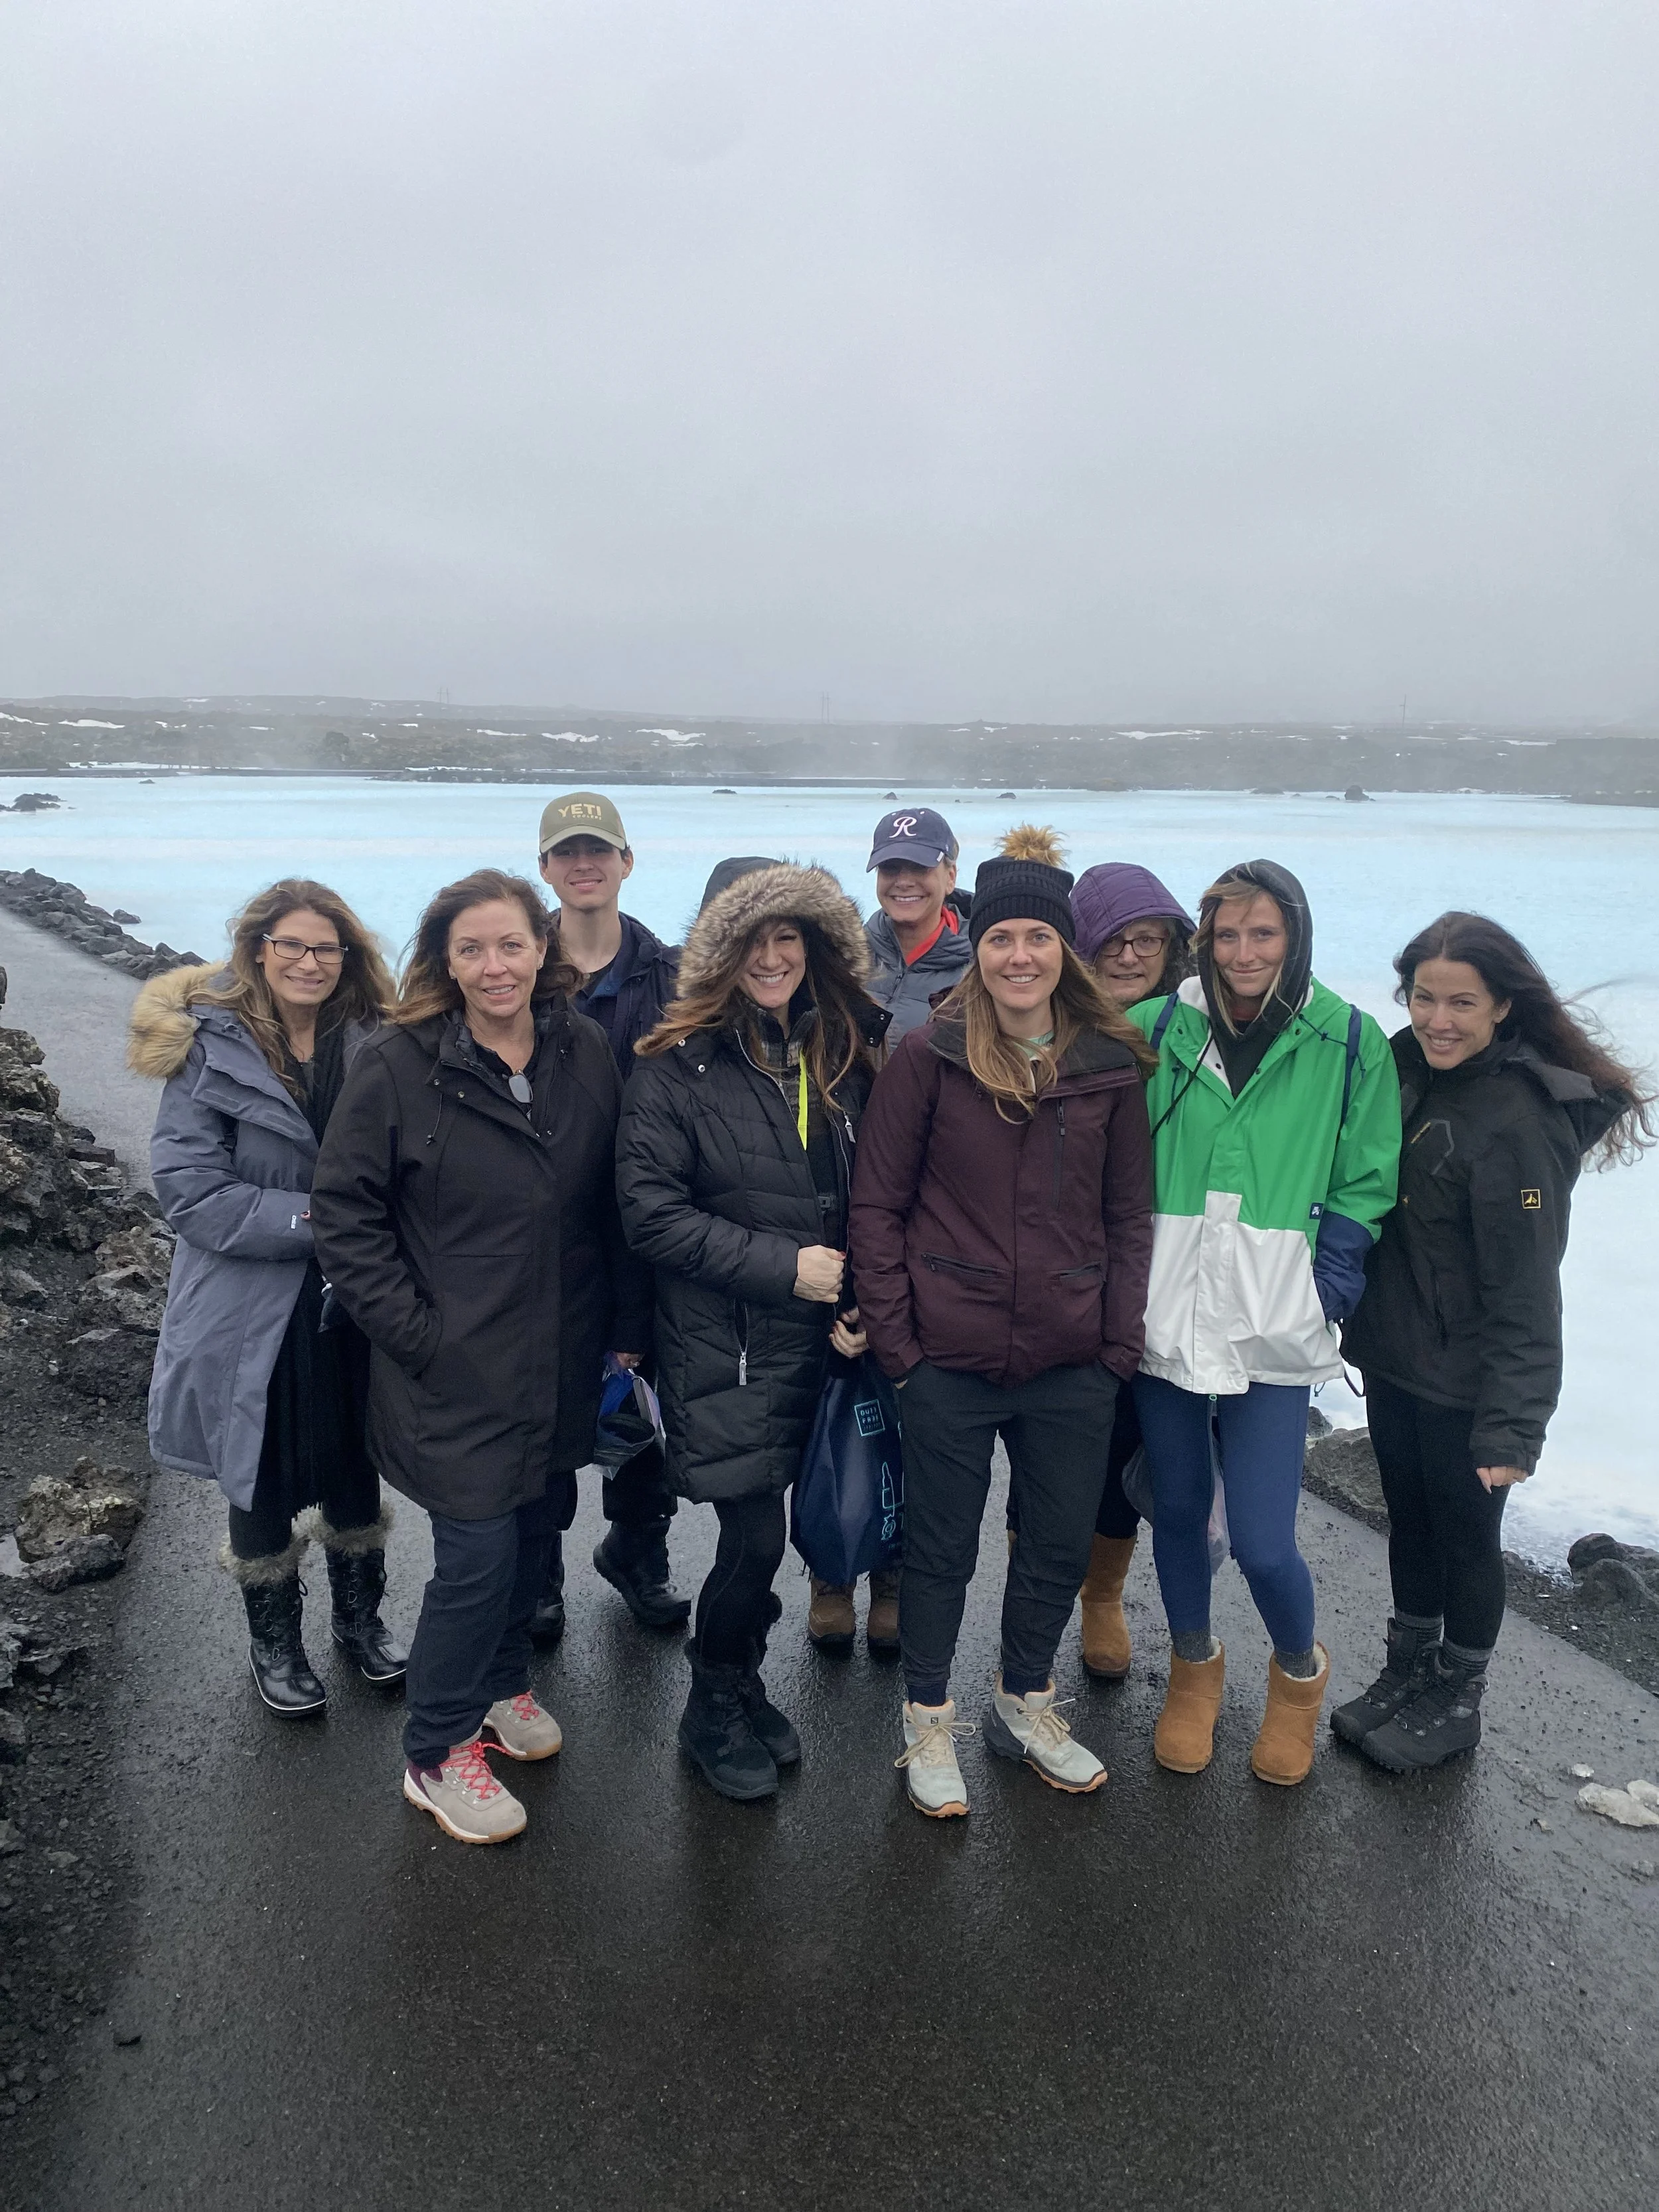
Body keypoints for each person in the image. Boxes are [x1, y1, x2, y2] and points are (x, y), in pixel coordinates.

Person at [311, 869, 650, 1845]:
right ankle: (436, 1748)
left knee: (539, 1524)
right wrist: (417, 1333)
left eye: (511, 945)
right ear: (445, 962)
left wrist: (626, 1324)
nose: (495, 966)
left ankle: (502, 1684)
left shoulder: (583, 1048)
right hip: (451, 1366)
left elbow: (610, 1197)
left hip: (562, 1349)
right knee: (476, 1556)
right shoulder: (398, 1063)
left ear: (543, 949)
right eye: (472, 949)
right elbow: (343, 1214)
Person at [851, 827, 1156, 1819]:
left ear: (1065, 948)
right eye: (998, 937)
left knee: (1058, 1545)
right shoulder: (928, 1056)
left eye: (1037, 937)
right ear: (974, 944)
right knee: (941, 1551)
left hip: (1074, 1359)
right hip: (948, 1355)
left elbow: (1129, 1216)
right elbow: (877, 1208)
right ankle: (928, 1719)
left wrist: (1116, 1348)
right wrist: (901, 1348)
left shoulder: (1109, 1063)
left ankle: (1024, 1704)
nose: (1018, 956)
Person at [1336, 913, 1654, 1771]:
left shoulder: (1520, 1120)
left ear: (1504, 1006)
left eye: (1461, 1004)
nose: (1437, 1019)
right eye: (1423, 998)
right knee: (1410, 1522)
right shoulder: (1404, 1067)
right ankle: (1408, 1670)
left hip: (1469, 1379)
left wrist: (1513, 1430)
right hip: (1397, 1356)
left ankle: (1458, 1698)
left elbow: (1527, 1293)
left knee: (1467, 1538)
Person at [616, 859, 887, 1802]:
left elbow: (870, 1191)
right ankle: (709, 1702)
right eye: (750, 940)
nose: (771, 958)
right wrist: (786, 1268)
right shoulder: (672, 1066)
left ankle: (739, 1680)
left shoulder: (841, 1051)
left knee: (790, 1527)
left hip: (821, 1338)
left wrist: (859, 1297)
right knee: (755, 1539)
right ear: (717, 952)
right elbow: (649, 1214)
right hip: (725, 1341)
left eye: (788, 938)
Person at [1127, 859, 1400, 1787]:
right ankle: (1193, 1670)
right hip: (1166, 1308)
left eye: (1264, 933)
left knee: (1261, 1538)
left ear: (1296, 936)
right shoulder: (1157, 1027)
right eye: (1227, 935)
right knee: (1176, 1512)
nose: (1243, 954)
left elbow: (1366, 1175)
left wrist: (1329, 1285)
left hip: (1276, 1319)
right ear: (1202, 942)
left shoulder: (1348, 1040)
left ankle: (1296, 1677)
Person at [133, 879, 404, 1718]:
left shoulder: (379, 1042)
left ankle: (360, 1623)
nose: (309, 962)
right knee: (258, 1472)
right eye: (291, 945)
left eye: (326, 948)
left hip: (355, 1299)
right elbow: (191, 1192)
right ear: (258, 949)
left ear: (348, 957)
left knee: (356, 1461)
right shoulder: (207, 1049)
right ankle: (276, 1644)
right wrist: (320, 1219)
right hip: (249, 1306)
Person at [1005, 861, 1197, 1679]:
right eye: (1112, 940)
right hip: (1051, 1274)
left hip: (1161, 1269)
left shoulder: (1190, 1034)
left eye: (1147, 940)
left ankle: (1102, 1595)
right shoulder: (1042, 1027)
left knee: (1124, 1440)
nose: (1128, 956)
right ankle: (1029, 1607)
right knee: (1038, 1446)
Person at [536, 789, 687, 1640]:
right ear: (545, 868)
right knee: (544, 1404)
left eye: (598, 849)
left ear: (627, 862)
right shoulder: (514, 966)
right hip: (543, 1228)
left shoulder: (672, 977)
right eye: (567, 852)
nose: (583, 863)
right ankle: (539, 1571)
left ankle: (637, 1550)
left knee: (647, 1404)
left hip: (648, 1224)